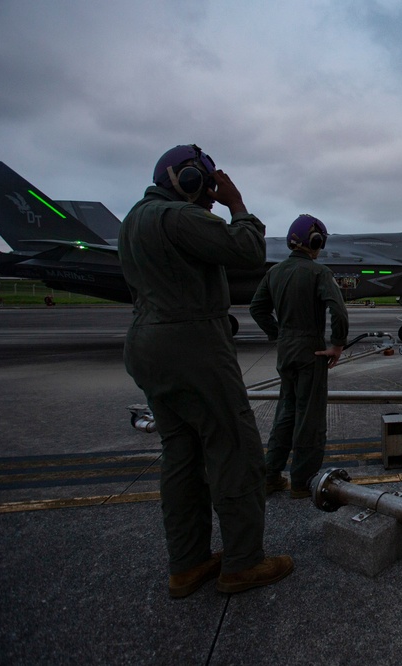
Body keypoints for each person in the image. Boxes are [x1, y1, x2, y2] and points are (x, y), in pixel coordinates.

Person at [120, 144, 293, 597]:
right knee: (234, 447)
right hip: (193, 345)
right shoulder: (179, 217)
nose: (212, 197)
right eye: (207, 185)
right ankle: (242, 563)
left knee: (181, 455)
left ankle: (188, 563)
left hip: (147, 344)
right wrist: (238, 204)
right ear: (187, 178)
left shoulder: (133, 220)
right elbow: (249, 250)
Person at [250, 214, 349, 499]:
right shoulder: (319, 273)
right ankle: (303, 481)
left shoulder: (274, 272)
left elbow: (257, 309)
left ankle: (270, 475)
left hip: (286, 349)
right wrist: (338, 344)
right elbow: (338, 310)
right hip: (311, 350)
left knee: (286, 411)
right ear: (315, 241)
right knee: (310, 417)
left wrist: (278, 333)